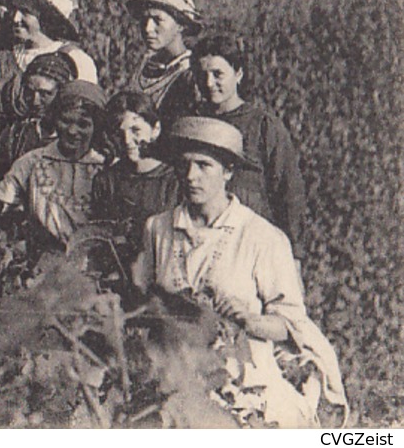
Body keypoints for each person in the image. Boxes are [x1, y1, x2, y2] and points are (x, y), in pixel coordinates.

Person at [134, 117, 345, 426]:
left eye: (204, 166)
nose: (191, 176)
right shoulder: (158, 229)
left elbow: (291, 326)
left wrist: (248, 320)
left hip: (242, 383)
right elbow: (145, 303)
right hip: (171, 377)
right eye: (184, 165)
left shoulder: (261, 236)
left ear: (228, 172)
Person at [187, 33, 307, 256]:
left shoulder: (264, 126)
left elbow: (289, 192)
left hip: (250, 243)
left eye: (218, 74)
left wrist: (294, 255)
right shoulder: (191, 125)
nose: (209, 83)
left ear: (238, 74)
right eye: (202, 75)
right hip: (201, 241)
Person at [0, 0, 98, 155]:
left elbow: (87, 119)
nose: (15, 19)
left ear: (45, 18)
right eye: (14, 10)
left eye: (25, 12)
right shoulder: (6, 56)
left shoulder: (76, 59)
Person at [0, 80, 108, 247]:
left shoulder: (108, 168)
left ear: (97, 126)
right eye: (66, 121)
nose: (72, 131)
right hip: (43, 264)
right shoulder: (32, 162)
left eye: (83, 124)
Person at [90, 89, 180, 263]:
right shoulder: (106, 181)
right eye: (118, 132)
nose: (126, 140)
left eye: (135, 130)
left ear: (155, 130)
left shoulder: (174, 181)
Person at [0, 49, 77, 183]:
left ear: (61, 93)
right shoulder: (15, 134)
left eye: (45, 94)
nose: (35, 101)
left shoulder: (75, 137)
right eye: (30, 92)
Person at [124, 0, 203, 120]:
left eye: (157, 20)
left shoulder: (190, 73)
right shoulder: (144, 65)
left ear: (181, 25)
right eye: (144, 19)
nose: (148, 28)